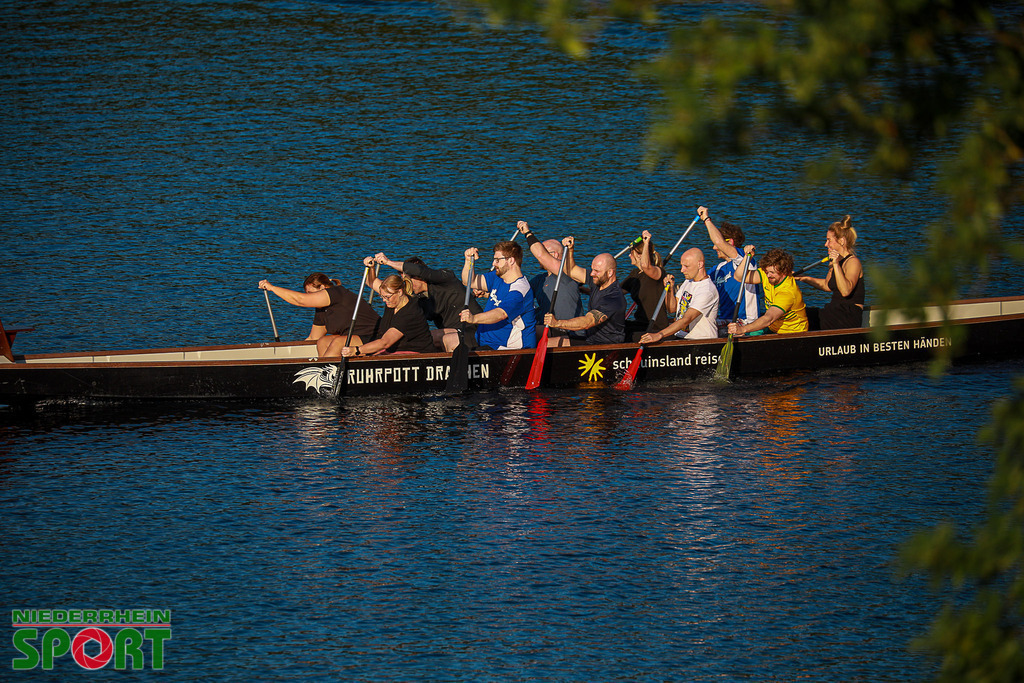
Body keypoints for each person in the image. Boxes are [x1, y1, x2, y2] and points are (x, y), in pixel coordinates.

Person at [526, 234, 627, 346]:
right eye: (592, 269)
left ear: (610, 273)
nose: (592, 273)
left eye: (596, 271)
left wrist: (557, 323)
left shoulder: (614, 299)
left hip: (602, 344)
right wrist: (570, 250)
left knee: (546, 344)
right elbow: (572, 270)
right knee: (528, 334)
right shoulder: (597, 280)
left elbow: (588, 322)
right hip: (589, 337)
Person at [374, 252, 484, 350]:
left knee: (436, 337)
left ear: (419, 277)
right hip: (452, 332)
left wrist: (388, 262)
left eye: (406, 280)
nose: (404, 284)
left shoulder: (446, 279)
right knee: (424, 339)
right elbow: (387, 291)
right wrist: (370, 270)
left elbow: (420, 270)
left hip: (475, 328)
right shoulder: (418, 300)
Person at [258, 272, 381, 358]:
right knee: (322, 342)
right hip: (353, 339)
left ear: (323, 287)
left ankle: (325, 372)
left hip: (374, 336)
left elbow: (300, 300)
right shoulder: (321, 309)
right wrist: (287, 356)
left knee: (338, 343)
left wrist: (272, 288)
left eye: (311, 293)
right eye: (308, 294)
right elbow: (312, 338)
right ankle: (324, 375)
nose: (311, 298)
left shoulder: (336, 292)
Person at [443, 240, 537, 351]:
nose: (493, 264)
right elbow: (469, 281)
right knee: (447, 340)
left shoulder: (520, 290)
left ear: (511, 261)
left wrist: (473, 318)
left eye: (497, 260)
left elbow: (501, 314)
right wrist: (469, 261)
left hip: (506, 347)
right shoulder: (498, 277)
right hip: (484, 339)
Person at [340, 265, 436, 357]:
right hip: (395, 350)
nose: (384, 300)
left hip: (417, 353)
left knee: (363, 353)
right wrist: (371, 267)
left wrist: (356, 350)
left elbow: (385, 343)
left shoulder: (410, 314)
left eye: (387, 297)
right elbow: (371, 282)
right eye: (382, 296)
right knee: (337, 343)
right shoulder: (392, 298)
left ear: (399, 292)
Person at [795, 215, 865, 330]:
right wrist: (803, 278)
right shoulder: (835, 262)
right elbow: (827, 285)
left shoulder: (853, 262)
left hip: (848, 315)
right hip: (833, 311)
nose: (825, 244)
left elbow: (846, 291)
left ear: (841, 241)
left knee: (805, 318)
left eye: (829, 240)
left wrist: (836, 264)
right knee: (798, 313)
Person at [697, 206, 760, 333]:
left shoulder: (745, 259)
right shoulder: (717, 269)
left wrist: (706, 219)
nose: (714, 247)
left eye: (716, 244)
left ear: (729, 242)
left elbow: (719, 243)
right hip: (725, 320)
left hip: (745, 322)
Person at [517, 221, 583, 339]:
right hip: (547, 328)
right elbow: (518, 294)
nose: (538, 257)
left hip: (568, 333)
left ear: (555, 255)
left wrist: (527, 232)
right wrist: (488, 293)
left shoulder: (565, 275)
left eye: (544, 251)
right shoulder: (539, 280)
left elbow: (540, 254)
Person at [640, 247, 719, 343]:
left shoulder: (707, 290)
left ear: (700, 264)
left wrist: (659, 335)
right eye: (681, 266)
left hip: (700, 340)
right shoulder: (687, 282)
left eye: (686, 266)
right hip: (681, 336)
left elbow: (687, 319)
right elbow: (672, 309)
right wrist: (669, 290)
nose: (682, 270)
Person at [728, 246, 809, 335]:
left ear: (784, 271)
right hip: (773, 327)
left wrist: (743, 329)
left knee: (744, 332)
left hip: (792, 333)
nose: (768, 276)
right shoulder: (766, 274)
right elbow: (739, 277)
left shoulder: (787, 292)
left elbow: (768, 318)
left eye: (772, 273)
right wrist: (747, 257)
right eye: (767, 272)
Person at [620, 230, 669, 341]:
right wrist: (585, 290)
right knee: (616, 326)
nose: (629, 255)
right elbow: (615, 292)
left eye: (631, 253)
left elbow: (646, 266)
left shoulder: (657, 272)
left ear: (640, 255)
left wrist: (646, 243)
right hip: (641, 324)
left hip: (656, 327)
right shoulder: (635, 274)